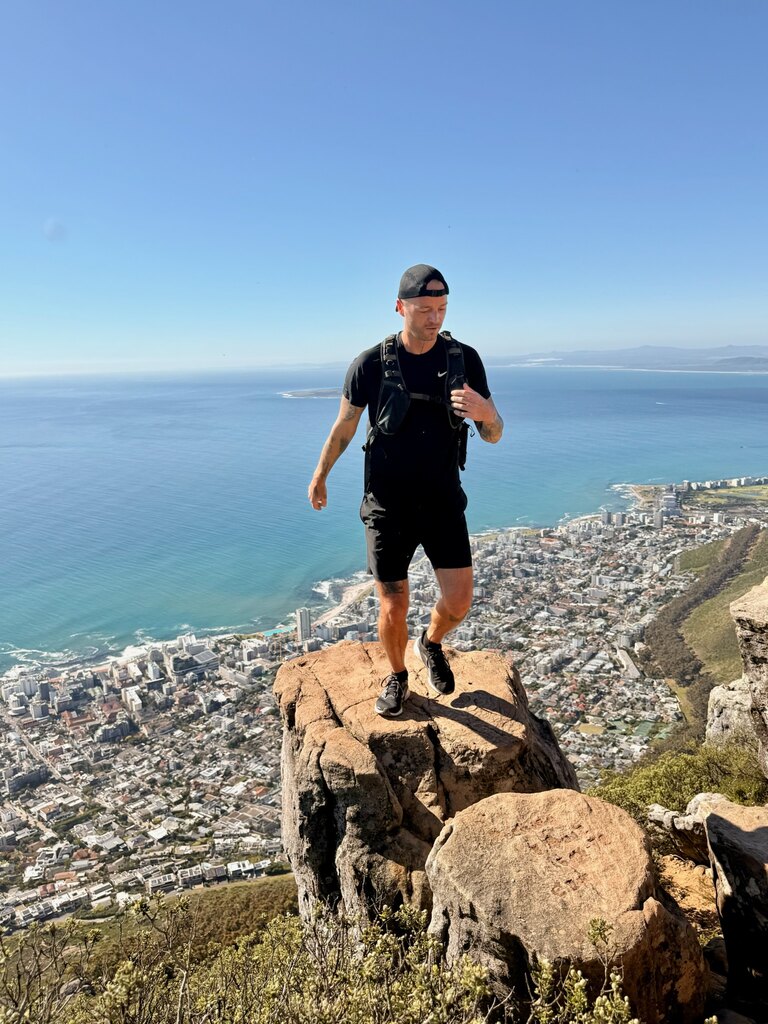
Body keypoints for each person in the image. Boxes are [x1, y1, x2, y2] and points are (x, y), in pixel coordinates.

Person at [308, 264, 503, 717]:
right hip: (387, 504)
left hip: (441, 500)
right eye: (424, 309)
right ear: (400, 307)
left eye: (441, 309)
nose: (433, 319)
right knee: (393, 603)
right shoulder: (370, 364)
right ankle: (397, 677)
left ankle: (430, 643)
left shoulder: (464, 359)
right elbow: (344, 426)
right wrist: (320, 474)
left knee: (459, 602)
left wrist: (484, 413)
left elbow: (493, 433)